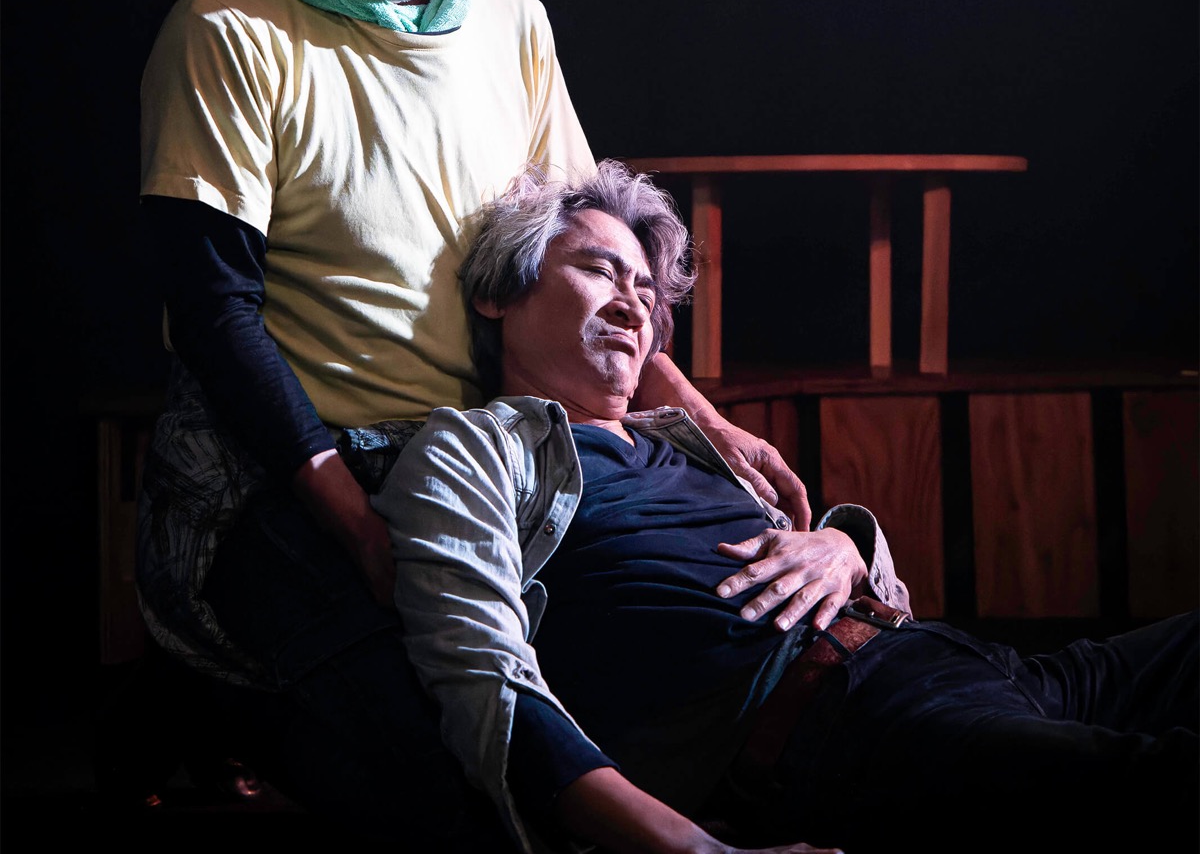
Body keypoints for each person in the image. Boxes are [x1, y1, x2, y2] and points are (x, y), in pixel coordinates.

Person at [131, 0, 806, 841]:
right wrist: (355, 520)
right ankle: (202, 713)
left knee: (669, 677)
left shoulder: (510, 21)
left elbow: (600, 247)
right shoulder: (228, 30)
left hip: (496, 457)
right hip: (299, 465)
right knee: (451, 780)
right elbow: (213, 310)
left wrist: (700, 420)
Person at [373, 159, 1199, 854]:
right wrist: (695, 850)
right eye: (598, 271)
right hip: (852, 726)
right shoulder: (475, 450)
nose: (633, 305)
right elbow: (484, 677)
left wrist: (845, 546)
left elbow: (860, 582)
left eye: (646, 290)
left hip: (965, 663)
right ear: (498, 295)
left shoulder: (687, 442)